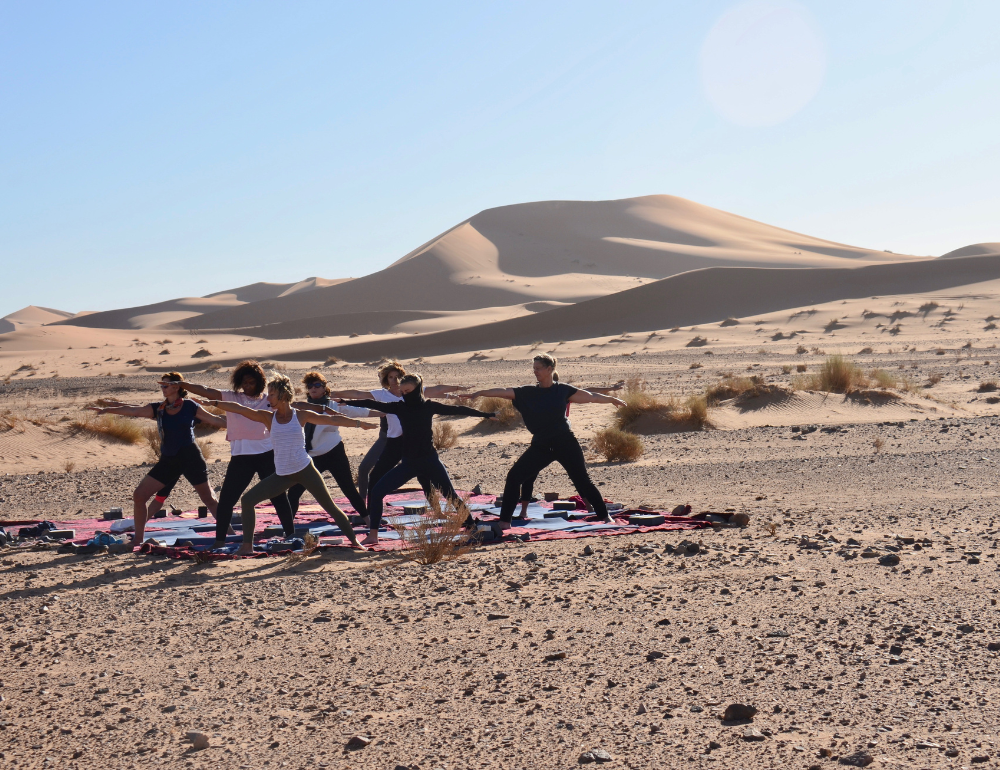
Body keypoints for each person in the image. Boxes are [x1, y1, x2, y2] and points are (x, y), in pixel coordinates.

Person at [194, 373, 373, 554]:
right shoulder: (268, 417)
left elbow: (333, 419)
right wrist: (215, 403)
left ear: (282, 395)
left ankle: (355, 542)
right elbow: (239, 409)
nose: (268, 397)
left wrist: (359, 424)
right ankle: (247, 546)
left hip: (305, 470)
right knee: (247, 500)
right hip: (283, 474)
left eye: (271, 394)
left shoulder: (300, 416)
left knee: (330, 507)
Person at [459, 354, 625, 531]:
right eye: (534, 368)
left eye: (538, 368)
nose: (535, 371)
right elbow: (504, 390)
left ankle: (605, 516)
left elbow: (591, 396)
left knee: (583, 481)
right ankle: (505, 521)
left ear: (549, 369)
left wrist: (611, 399)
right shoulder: (527, 392)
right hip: (542, 445)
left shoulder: (563, 390)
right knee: (514, 477)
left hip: (565, 443)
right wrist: (480, 392)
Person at [338, 373, 495, 545]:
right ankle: (373, 535)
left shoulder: (429, 406)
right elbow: (372, 403)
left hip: (430, 461)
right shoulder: (400, 407)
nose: (405, 394)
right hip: (409, 463)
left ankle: (471, 526)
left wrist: (486, 414)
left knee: (450, 495)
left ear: (418, 389)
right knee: (376, 492)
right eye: (403, 391)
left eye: (408, 391)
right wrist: (347, 402)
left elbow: (457, 410)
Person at [165, 360, 297, 547]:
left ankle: (291, 536)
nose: (247, 386)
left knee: (278, 497)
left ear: (259, 382)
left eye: (251, 382)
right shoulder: (231, 397)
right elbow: (206, 390)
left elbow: (289, 407)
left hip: (266, 455)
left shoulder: (269, 400)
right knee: (227, 500)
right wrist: (182, 384)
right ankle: (219, 541)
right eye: (244, 383)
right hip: (241, 457)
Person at [87, 373, 227, 545]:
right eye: (162, 386)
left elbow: (215, 420)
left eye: (166, 385)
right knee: (139, 495)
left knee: (209, 500)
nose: (163, 389)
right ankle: (137, 540)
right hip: (169, 460)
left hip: (191, 458)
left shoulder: (190, 406)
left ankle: (230, 535)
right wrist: (110, 410)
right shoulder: (159, 409)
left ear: (177, 387)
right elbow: (134, 410)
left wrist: (245, 419)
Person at [329, 360, 468, 510]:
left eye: (397, 377)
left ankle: (437, 510)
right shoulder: (382, 394)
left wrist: (458, 388)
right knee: (375, 475)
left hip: (414, 443)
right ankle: (370, 511)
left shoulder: (412, 391)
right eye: (390, 377)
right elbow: (358, 394)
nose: (394, 380)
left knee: (425, 478)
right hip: (394, 442)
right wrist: (333, 394)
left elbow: (438, 389)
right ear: (386, 380)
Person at [516, 380, 624, 516]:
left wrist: (610, 389)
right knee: (531, 476)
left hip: (562, 439)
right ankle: (523, 512)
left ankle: (590, 508)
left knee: (577, 476)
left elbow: (590, 391)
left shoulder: (564, 394)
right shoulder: (541, 395)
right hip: (543, 439)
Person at [287, 371, 382, 521]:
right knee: (294, 492)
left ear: (324, 387)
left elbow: (358, 412)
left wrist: (383, 413)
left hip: (334, 453)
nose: (313, 388)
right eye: (310, 385)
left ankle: (368, 520)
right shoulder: (300, 408)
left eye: (317, 385)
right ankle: (288, 527)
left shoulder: (333, 405)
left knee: (348, 488)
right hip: (311, 457)